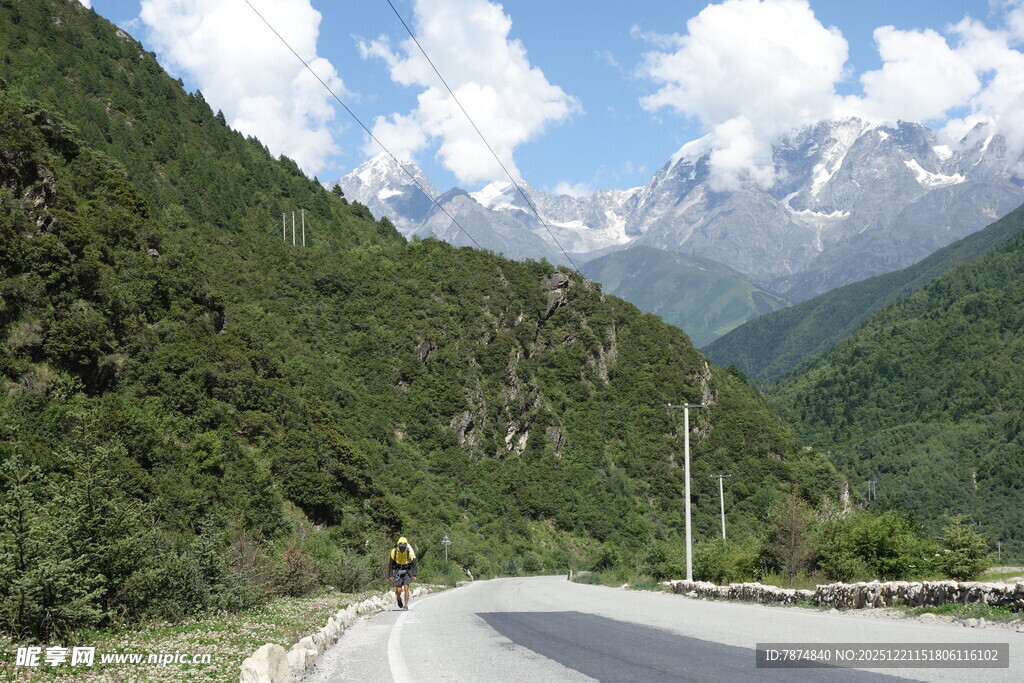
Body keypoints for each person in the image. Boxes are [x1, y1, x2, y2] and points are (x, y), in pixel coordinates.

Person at [388, 536, 418, 610]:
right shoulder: (394, 551)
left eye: (403, 546)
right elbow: (390, 564)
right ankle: (398, 598)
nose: (402, 548)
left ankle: (406, 605)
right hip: (397, 570)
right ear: (398, 545)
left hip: (406, 570)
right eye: (400, 546)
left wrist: (414, 575)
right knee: (398, 590)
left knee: (406, 589)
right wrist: (390, 575)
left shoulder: (409, 551)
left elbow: (414, 563)